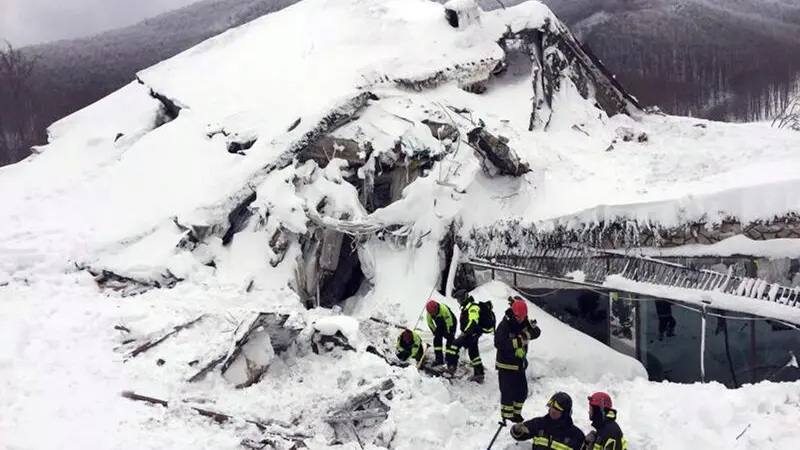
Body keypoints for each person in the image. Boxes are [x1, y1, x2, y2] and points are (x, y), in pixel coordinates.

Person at [495, 297, 541, 423]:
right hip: (505, 365)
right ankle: (506, 417)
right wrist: (518, 342)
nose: (521, 320)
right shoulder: (504, 325)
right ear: (513, 313)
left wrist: (526, 335)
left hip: (519, 365)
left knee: (522, 392)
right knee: (507, 392)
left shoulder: (524, 321)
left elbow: (537, 331)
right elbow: (499, 343)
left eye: (523, 317)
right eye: (518, 317)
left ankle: (516, 414)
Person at [510, 392, 586, 450]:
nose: (553, 411)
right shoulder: (539, 424)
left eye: (557, 409)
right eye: (551, 407)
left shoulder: (576, 435)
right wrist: (517, 429)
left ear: (565, 413)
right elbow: (518, 435)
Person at [452, 289, 495, 383]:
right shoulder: (467, 306)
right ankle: (479, 374)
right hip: (473, 333)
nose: (458, 301)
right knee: (474, 353)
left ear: (464, 298)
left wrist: (465, 333)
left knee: (454, 346)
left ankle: (451, 368)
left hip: (471, 333)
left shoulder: (473, 307)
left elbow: (473, 321)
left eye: (459, 299)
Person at [425, 299, 458, 370]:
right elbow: (429, 322)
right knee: (437, 339)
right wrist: (434, 331)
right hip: (440, 324)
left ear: (436, 309)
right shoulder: (429, 313)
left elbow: (449, 322)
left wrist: (449, 332)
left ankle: (450, 360)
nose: (432, 314)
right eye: (431, 313)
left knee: (450, 340)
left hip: (451, 323)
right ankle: (439, 359)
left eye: (433, 313)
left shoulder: (443, 309)